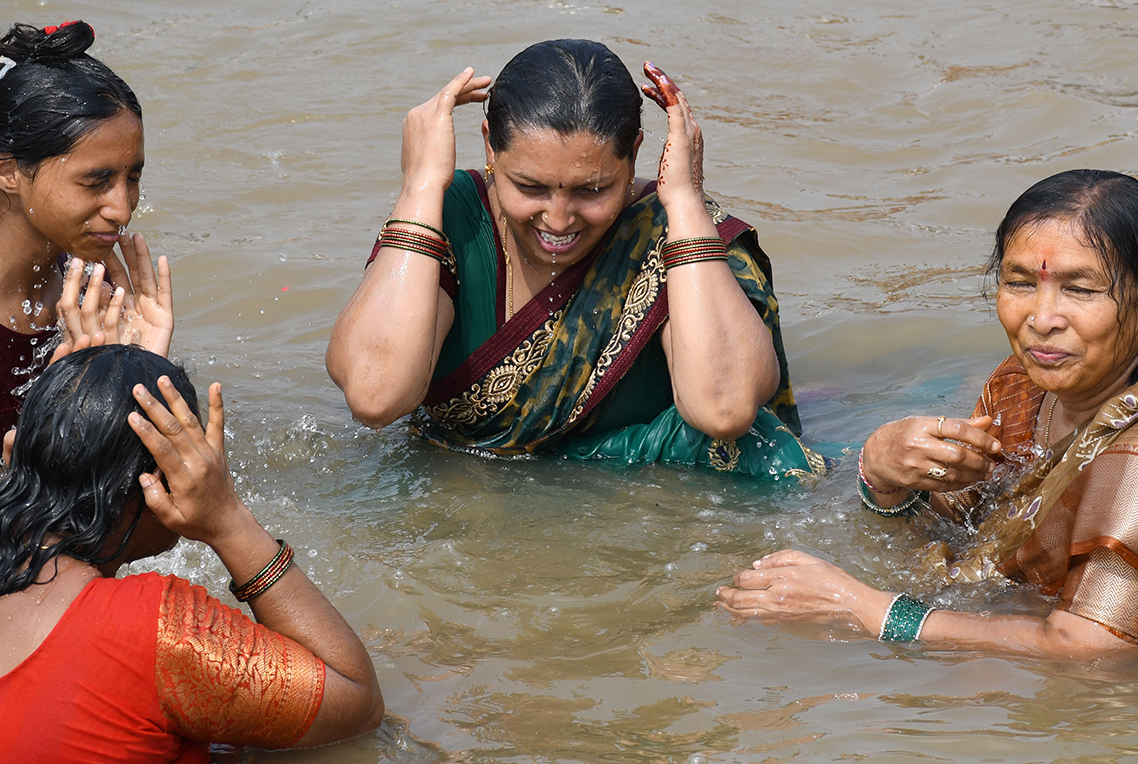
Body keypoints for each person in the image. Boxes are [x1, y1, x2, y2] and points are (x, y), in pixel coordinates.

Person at [326, 39, 822, 478]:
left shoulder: (674, 233)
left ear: (636, 156)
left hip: (636, 510)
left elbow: (725, 409)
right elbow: (375, 397)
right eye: (529, 187)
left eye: (593, 189)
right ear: (488, 149)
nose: (558, 220)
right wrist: (419, 184)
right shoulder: (449, 214)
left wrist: (687, 203)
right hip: (464, 502)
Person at [718, 169, 1138, 657]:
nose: (1041, 320)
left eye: (1081, 290)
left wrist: (866, 610)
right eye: (1020, 283)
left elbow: (1092, 649)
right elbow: (961, 531)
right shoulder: (1024, 385)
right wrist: (884, 475)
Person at [0, 345, 383, 759]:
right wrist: (229, 521)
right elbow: (358, 703)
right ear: (155, 482)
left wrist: (89, 391)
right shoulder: (156, 631)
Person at [0, 21, 172, 502]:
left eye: (132, 177)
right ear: (8, 171)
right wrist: (63, 407)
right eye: (96, 181)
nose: (122, 208)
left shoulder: (100, 292)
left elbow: (148, 508)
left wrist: (141, 370)